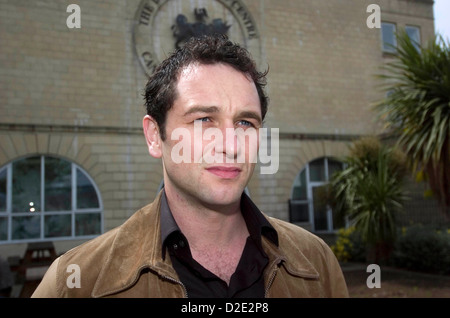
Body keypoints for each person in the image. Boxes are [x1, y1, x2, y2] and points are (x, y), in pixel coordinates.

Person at [32, 35, 348, 298]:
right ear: (155, 136)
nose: (230, 144)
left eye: (245, 122)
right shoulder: (75, 283)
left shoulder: (316, 263)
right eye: (203, 120)